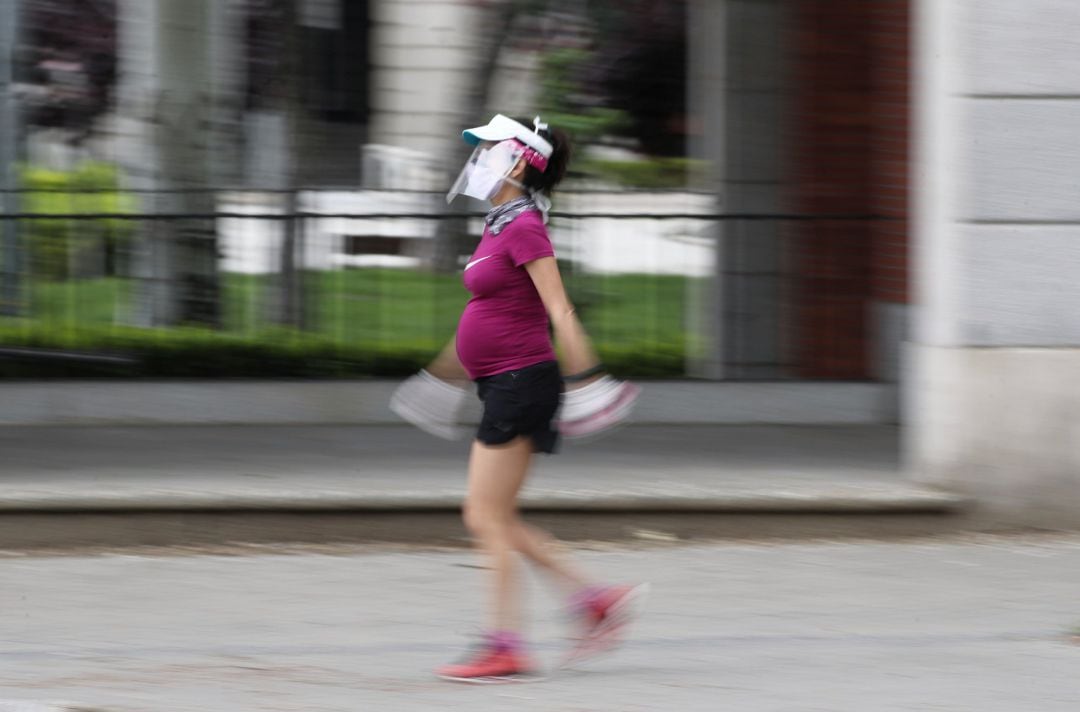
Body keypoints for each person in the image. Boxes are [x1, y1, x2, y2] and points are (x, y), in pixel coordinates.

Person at [395, 114, 645, 683]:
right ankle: (595, 600)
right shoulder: (499, 223)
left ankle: (506, 644)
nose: (476, 158)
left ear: (514, 162)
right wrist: (442, 380)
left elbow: (558, 309)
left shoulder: (525, 225)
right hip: (504, 381)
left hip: (521, 383)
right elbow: (490, 314)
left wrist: (590, 383)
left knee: (483, 515)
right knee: (495, 516)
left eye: (486, 150)